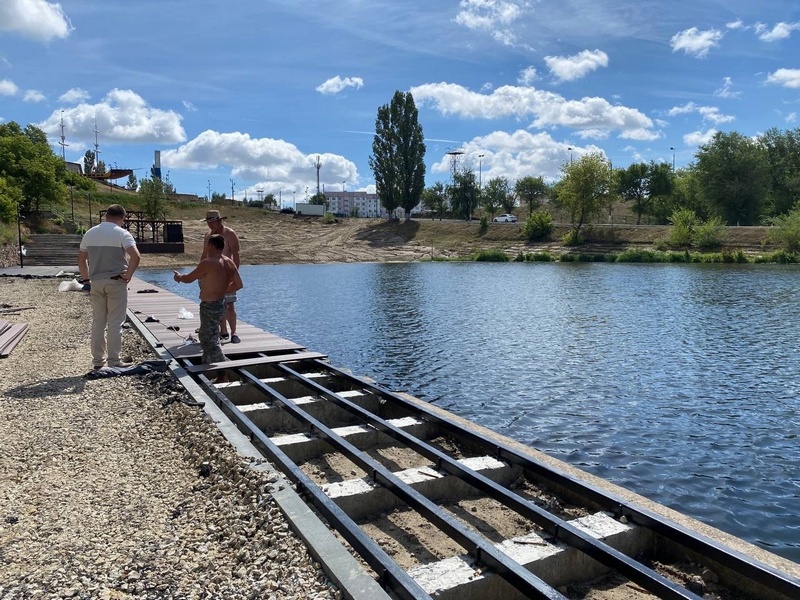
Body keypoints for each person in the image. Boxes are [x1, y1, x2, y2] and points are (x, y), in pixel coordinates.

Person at [78, 204, 141, 370]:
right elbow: (136, 256)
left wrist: (86, 280)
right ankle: (114, 360)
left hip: (96, 282)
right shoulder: (122, 233)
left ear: (106, 216)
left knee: (98, 322)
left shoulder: (90, 233)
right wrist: (128, 275)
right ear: (122, 217)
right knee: (115, 322)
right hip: (116, 281)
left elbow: (81, 259)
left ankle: (98, 361)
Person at [174, 234, 243, 382]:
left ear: (211, 246)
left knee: (208, 339)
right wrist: (223, 290)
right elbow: (238, 284)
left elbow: (189, 278)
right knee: (209, 336)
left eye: (207, 246)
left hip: (210, 306)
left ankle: (223, 373)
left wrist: (179, 277)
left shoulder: (208, 263)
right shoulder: (229, 262)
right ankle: (206, 368)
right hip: (221, 304)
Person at [201, 209, 241, 343]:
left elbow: (236, 255)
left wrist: (232, 275)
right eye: (208, 222)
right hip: (211, 276)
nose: (210, 225)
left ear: (219, 220)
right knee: (216, 304)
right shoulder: (208, 235)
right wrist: (200, 273)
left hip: (226, 273)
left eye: (213, 222)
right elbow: (204, 255)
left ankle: (234, 333)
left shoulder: (230, 234)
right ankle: (223, 331)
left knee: (230, 304)